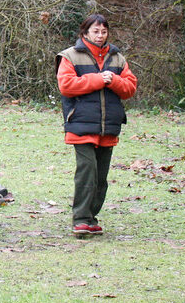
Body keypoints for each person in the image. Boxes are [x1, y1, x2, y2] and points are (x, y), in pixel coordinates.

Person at [55, 14, 138, 236]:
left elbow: (130, 88)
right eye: (95, 31)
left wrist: (115, 80)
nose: (100, 36)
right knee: (87, 172)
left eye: (103, 31)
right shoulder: (70, 56)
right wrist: (100, 79)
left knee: (101, 177)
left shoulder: (118, 57)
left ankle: (91, 218)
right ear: (85, 33)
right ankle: (80, 219)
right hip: (80, 124)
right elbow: (67, 86)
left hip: (108, 126)